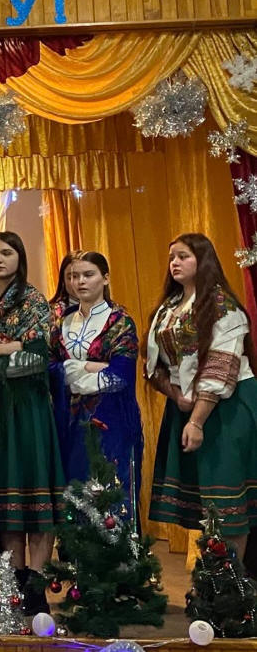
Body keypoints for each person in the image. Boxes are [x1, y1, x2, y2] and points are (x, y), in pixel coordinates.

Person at [145, 233, 257, 559]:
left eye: (183, 256)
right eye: (172, 257)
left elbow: (222, 366)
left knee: (227, 504)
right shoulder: (168, 309)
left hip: (227, 407)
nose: (175, 263)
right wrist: (175, 394)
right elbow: (151, 365)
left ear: (203, 260)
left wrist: (196, 420)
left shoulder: (223, 306)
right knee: (202, 501)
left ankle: (230, 579)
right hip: (186, 405)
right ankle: (212, 576)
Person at [0, 231, 63, 615]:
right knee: (7, 503)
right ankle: (13, 580)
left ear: (19, 258)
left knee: (35, 496)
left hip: (29, 408)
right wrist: (13, 347)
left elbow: (39, 355)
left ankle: (37, 587)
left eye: (6, 253)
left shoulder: (34, 299)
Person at [50, 251, 142, 518]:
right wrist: (92, 366)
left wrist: (75, 372)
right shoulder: (61, 322)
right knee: (75, 497)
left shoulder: (120, 321)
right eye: (74, 276)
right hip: (69, 422)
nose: (80, 281)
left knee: (112, 497)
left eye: (88, 275)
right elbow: (49, 366)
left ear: (105, 278)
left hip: (111, 421)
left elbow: (121, 375)